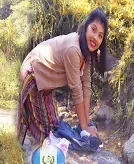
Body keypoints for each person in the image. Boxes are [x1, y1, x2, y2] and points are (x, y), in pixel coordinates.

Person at [17, 8, 108, 149]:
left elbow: (86, 86)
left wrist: (87, 124)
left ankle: (36, 145)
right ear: (85, 26)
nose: (95, 37)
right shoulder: (74, 49)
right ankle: (37, 157)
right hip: (35, 72)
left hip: (46, 79)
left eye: (100, 36)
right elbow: (76, 91)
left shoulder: (86, 52)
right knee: (50, 131)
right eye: (93, 30)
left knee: (53, 123)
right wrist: (84, 129)